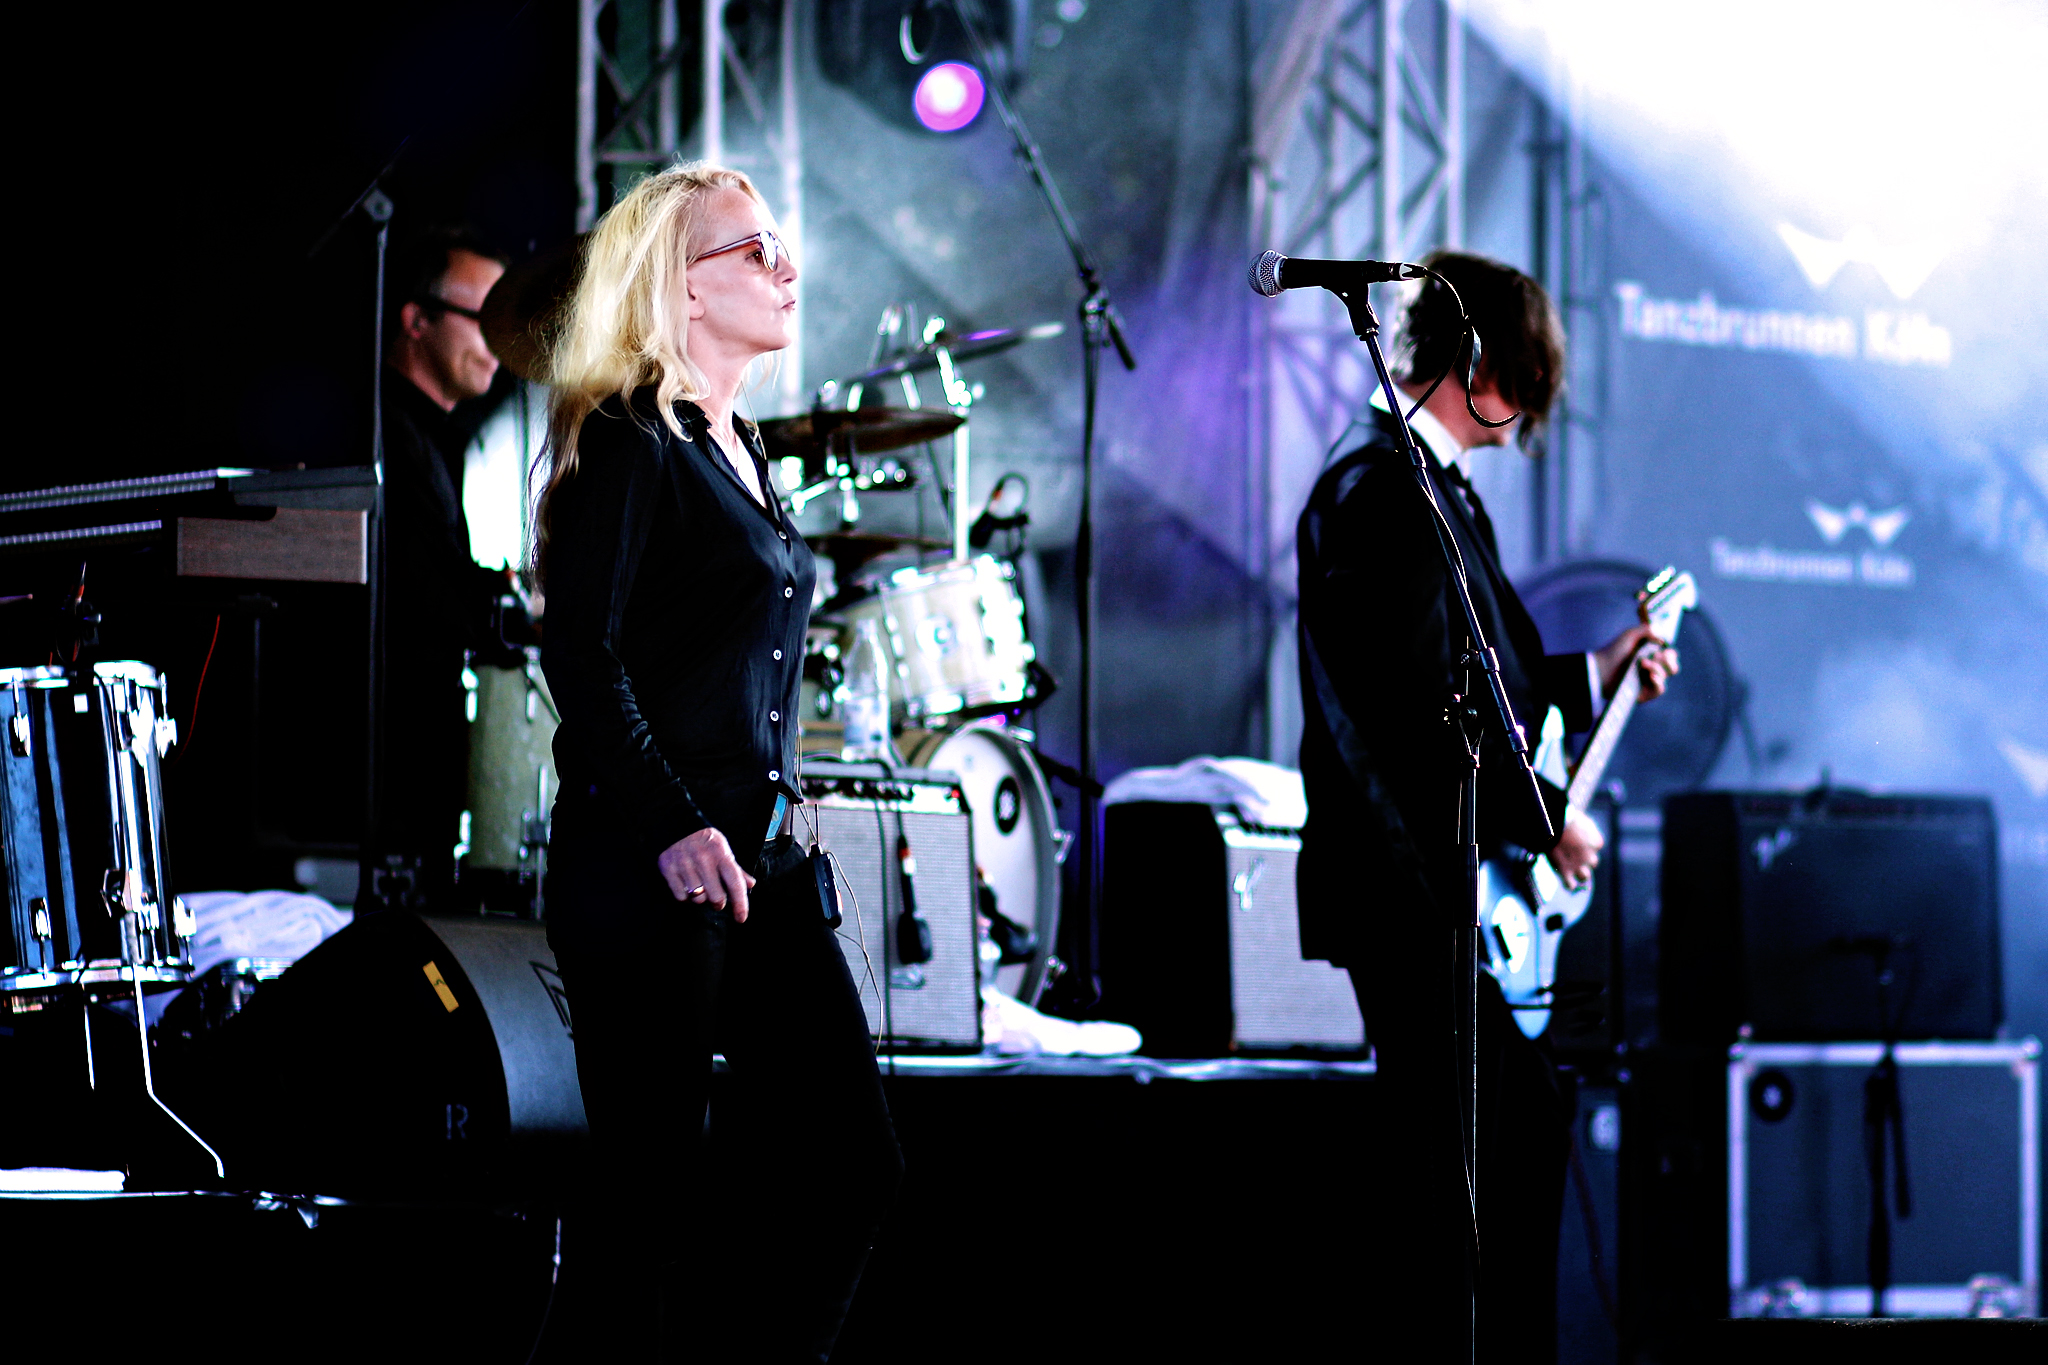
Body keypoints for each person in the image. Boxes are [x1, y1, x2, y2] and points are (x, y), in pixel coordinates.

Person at [532, 164, 901, 1362]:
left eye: (780, 244)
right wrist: (671, 822)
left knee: (851, 1165)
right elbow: (581, 656)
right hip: (649, 861)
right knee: (639, 1205)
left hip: (755, 860)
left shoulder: (737, 445)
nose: (784, 267)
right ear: (679, 292)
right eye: (752, 251)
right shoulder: (633, 440)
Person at [1293, 250, 1677, 1360]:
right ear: (1472, 365)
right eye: (1519, 381)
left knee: (1506, 1169)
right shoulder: (1379, 491)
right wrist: (1541, 816)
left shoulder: (1421, 486)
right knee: (1461, 1207)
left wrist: (1595, 672)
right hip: (1418, 891)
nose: (1522, 417)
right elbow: (1417, 715)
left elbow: (1478, 679)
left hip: (1449, 893)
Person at [375, 226, 516, 908]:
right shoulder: (381, 434)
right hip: (376, 774)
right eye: (483, 317)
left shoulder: (436, 436)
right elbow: (418, 590)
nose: (501, 337)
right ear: (416, 320)